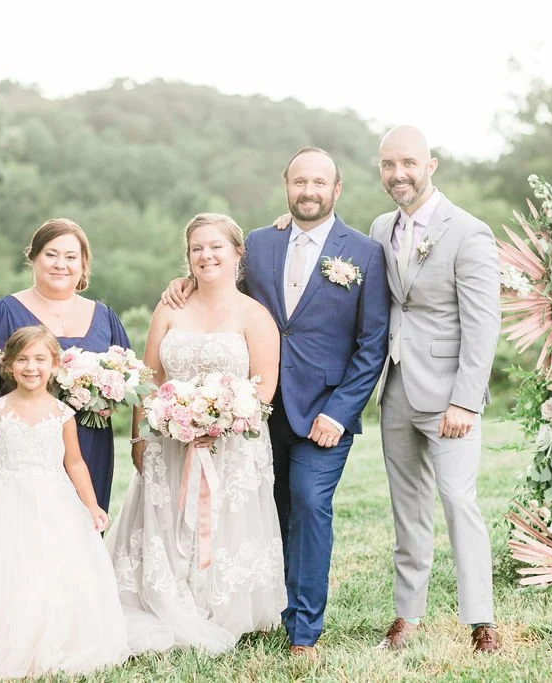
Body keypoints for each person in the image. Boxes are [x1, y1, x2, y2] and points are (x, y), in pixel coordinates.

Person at [162, 149, 389, 660]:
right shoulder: (260, 245)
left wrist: (341, 411)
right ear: (286, 185)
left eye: (319, 182)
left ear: (337, 190)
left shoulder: (366, 254)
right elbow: (218, 290)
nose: (309, 191)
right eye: (300, 181)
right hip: (256, 410)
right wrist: (183, 284)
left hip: (324, 412)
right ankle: (268, 605)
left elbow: (373, 343)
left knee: (309, 504)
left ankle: (304, 630)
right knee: (272, 508)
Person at [107, 213, 287, 655]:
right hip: (167, 443)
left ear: (237, 253)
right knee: (166, 523)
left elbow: (265, 386)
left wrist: (219, 419)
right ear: (187, 257)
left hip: (230, 447)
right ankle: (165, 599)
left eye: (216, 247)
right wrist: (139, 438)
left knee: (225, 522)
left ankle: (219, 608)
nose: (206, 255)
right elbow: (149, 377)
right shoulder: (169, 307)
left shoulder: (254, 314)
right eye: (196, 248)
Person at [0, 326, 129, 680]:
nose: (31, 367)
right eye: (22, 359)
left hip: (52, 501)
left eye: (40, 359)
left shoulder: (63, 414)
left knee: (49, 571)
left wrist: (92, 505)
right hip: (0, 500)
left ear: (54, 364)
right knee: (3, 572)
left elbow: (75, 463)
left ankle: (48, 641)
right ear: (8, 365)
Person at [368, 125, 502, 653]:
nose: (398, 174)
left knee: (457, 500)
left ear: (431, 165)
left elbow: (482, 323)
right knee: (408, 508)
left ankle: (482, 621)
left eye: (408, 163)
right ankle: (407, 616)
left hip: (451, 395)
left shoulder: (468, 232)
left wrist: (466, 399)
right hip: (396, 387)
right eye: (387, 165)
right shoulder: (381, 227)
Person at [0, 218, 130, 512]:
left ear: (83, 265)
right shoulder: (4, 311)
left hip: (89, 444)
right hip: (20, 449)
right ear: (33, 257)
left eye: (71, 257)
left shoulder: (104, 316)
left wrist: (110, 401)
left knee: (80, 534)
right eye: (51, 254)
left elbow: (127, 375)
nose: (61, 264)